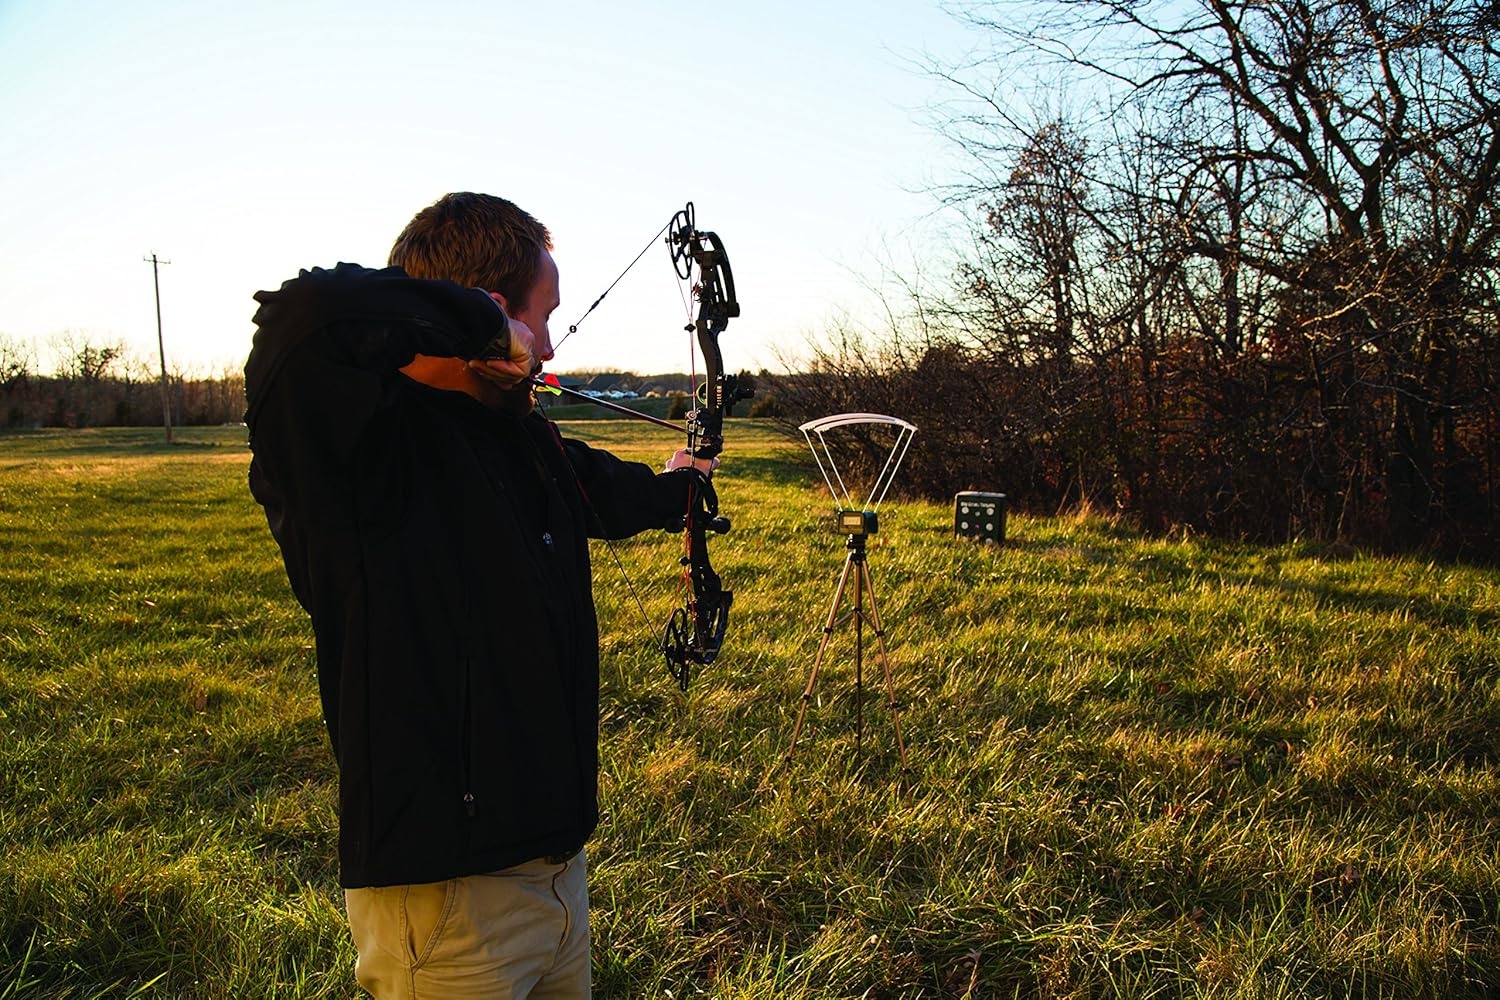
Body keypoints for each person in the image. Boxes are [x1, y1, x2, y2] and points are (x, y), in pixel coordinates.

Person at [245, 192, 713, 998]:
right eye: (543, 316)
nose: (550, 340)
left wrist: (680, 488)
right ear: (488, 315)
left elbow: (597, 489)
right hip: (449, 906)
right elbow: (305, 312)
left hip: (559, 874)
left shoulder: (519, 439)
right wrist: (480, 323)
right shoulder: (361, 452)